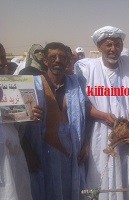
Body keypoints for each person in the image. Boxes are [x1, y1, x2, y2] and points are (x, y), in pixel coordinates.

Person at [75, 26, 129, 200]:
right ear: (99, 47)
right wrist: (101, 115)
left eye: (117, 44)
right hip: (100, 132)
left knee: (126, 169)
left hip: (126, 132)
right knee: (101, 170)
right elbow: (81, 103)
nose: (113, 49)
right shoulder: (87, 69)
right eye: (108, 45)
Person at [25, 42, 88, 200]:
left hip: (72, 151)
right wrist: (27, 150)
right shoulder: (34, 85)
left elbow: (86, 116)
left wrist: (86, 144)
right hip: (43, 151)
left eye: (62, 57)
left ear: (68, 61)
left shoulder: (76, 84)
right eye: (53, 57)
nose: (58, 60)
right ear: (45, 61)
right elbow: (19, 122)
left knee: (70, 191)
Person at [0, 43, 42, 200]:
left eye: (3, 57)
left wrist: (30, 115)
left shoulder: (11, 85)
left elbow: (15, 126)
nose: (1, 62)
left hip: (12, 155)